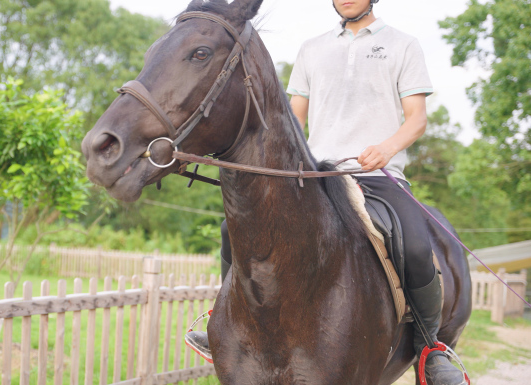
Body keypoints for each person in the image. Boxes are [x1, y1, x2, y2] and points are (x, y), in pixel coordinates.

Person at [185, 1, 467, 384]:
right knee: (228, 230)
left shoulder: (403, 44)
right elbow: (292, 118)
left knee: (415, 245)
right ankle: (227, 325)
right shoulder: (311, 49)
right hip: (315, 174)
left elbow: (416, 118)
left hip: (377, 173)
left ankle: (430, 347)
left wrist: (385, 149)